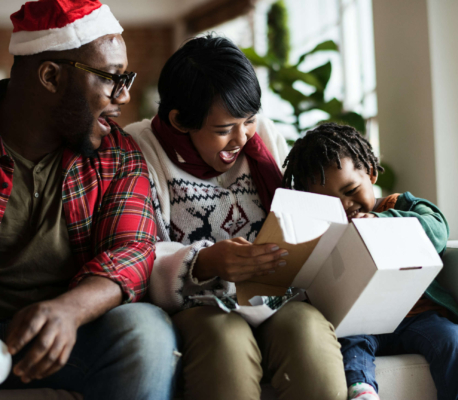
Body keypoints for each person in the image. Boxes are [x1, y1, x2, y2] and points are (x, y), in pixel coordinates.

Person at [125, 35, 347, 400]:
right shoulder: (139, 148)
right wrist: (206, 261)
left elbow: (299, 215)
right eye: (223, 129)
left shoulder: (265, 138)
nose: (241, 138)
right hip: (197, 304)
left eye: (249, 121)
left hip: (273, 297)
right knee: (225, 343)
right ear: (180, 120)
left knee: (308, 334)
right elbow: (133, 252)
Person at [0, 1, 178, 399]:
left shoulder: (117, 152)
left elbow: (132, 250)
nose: (125, 97)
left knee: (145, 330)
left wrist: (69, 311)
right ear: (51, 77)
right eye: (113, 78)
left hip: (72, 332)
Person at [282, 122, 458, 400]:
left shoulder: (401, 206)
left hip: (418, 316)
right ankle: (363, 392)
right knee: (348, 344)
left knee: (454, 340)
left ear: (371, 174)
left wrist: (381, 222)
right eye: (329, 202)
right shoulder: (323, 231)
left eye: (351, 190)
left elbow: (438, 232)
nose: (346, 206)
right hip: (360, 323)